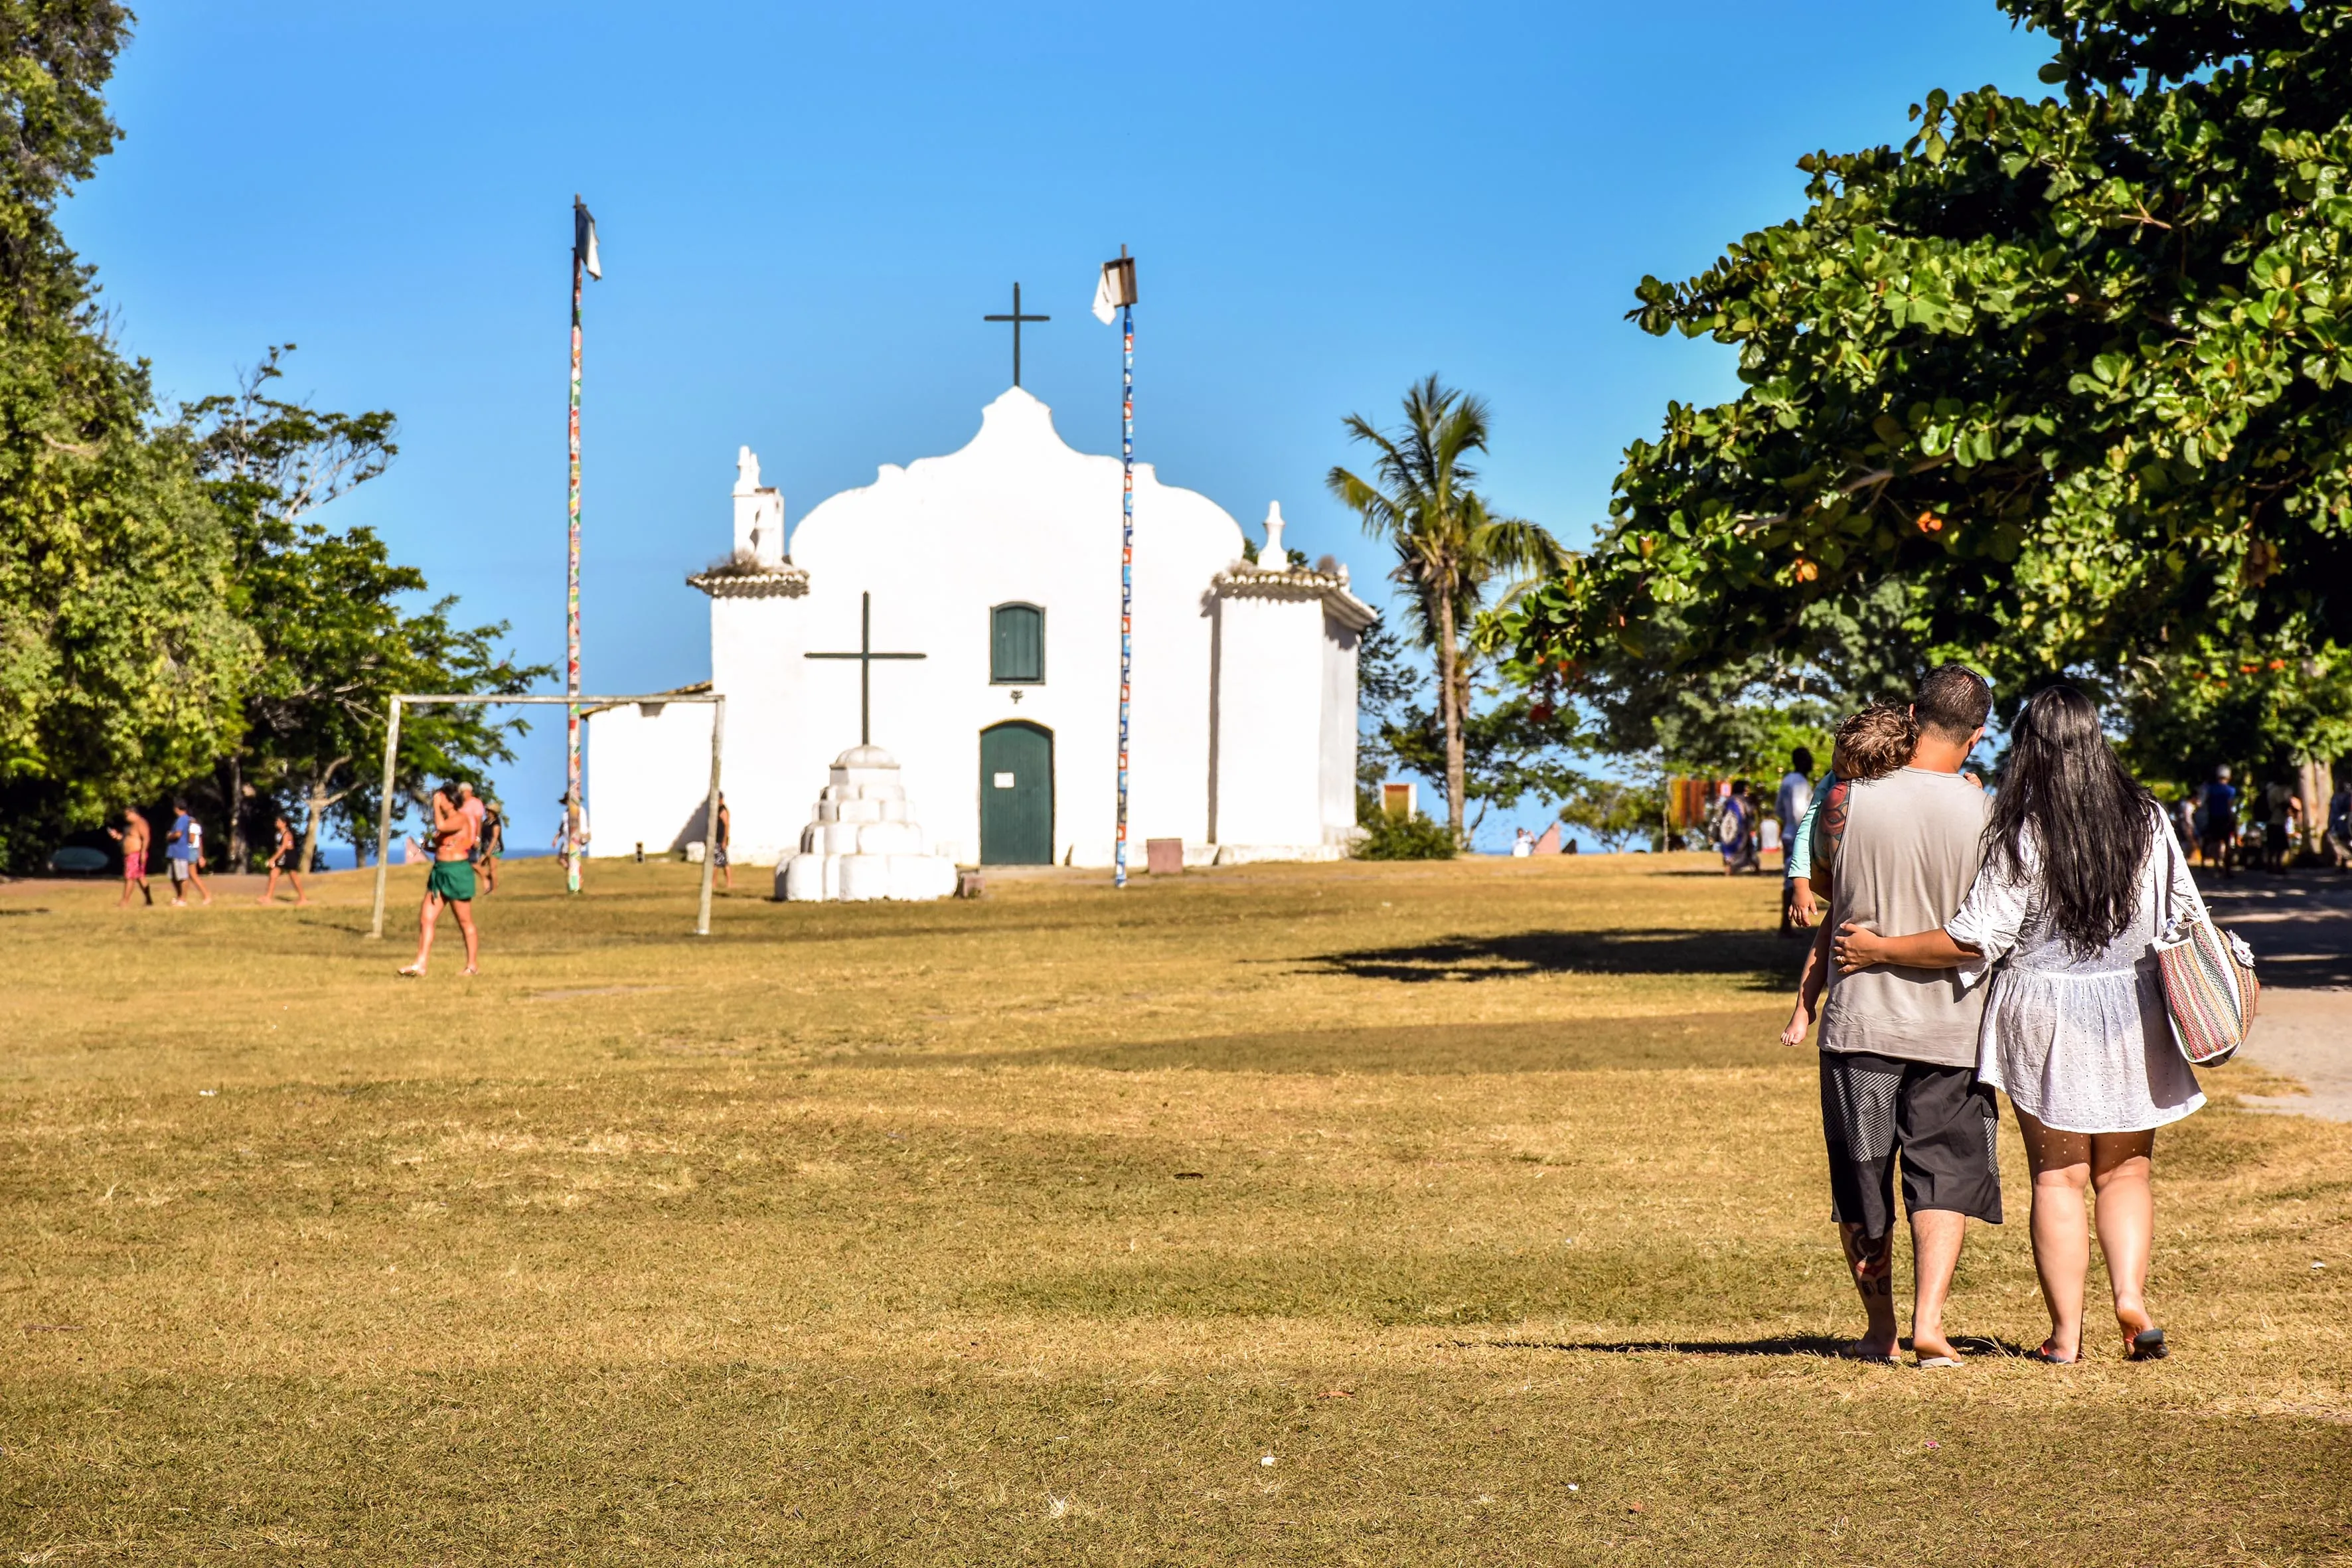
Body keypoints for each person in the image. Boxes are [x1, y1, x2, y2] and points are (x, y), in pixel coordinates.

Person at [1833, 684, 2204, 1364]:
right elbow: (2186, 913)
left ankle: (2066, 1338)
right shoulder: (2149, 818)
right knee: (2127, 1173)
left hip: (2044, 1011)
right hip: (2134, 1010)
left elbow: (1977, 939)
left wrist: (1880, 949)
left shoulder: (2023, 828)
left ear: (2031, 745)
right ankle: (2130, 1296)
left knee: (2058, 1177)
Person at [1782, 666, 1998, 1368]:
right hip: (1955, 1025)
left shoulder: (1847, 799)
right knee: (1944, 1175)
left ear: (1912, 712)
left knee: (1862, 1181)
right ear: (1979, 733)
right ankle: (1931, 1324)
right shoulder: (1987, 812)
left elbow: (1820, 889)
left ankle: (1881, 1331)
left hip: (1862, 1023)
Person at [400, 781, 480, 978]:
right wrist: (430, 847)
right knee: (426, 918)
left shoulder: (461, 818)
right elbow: (443, 844)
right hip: (440, 872)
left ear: (451, 800)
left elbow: (442, 826)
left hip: (457, 873)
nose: (438, 800)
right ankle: (421, 964)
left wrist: (435, 806)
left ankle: (472, 965)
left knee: (464, 921)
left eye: (441, 797)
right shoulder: (446, 819)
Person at [1777, 748, 1816, 934]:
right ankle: (1786, 925)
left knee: (1789, 878)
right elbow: (1799, 812)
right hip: (1797, 836)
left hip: (1788, 832)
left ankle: (1786, 924)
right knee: (1792, 880)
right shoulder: (1799, 783)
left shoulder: (1787, 780)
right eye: (1808, 759)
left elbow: (1779, 810)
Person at [256, 813, 310, 905]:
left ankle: (303, 898)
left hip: (289, 857)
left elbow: (283, 848)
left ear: (284, 823)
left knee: (293, 876)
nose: (276, 823)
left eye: (279, 822)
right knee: (273, 874)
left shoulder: (287, 834)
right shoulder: (278, 834)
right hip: (281, 857)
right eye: (276, 821)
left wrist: (273, 859)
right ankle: (268, 897)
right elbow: (278, 848)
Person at [108, 807, 153, 908]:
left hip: (136, 854)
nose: (126, 818)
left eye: (127, 815)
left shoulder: (141, 823)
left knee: (130, 877)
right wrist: (117, 836)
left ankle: (125, 901)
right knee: (140, 877)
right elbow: (127, 838)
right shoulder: (131, 826)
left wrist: (143, 853)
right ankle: (149, 900)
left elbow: (146, 838)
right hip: (131, 855)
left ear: (133, 813)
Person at [2199, 766, 2236, 878]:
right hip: (2226, 819)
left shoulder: (2211, 789)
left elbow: (2204, 803)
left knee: (2215, 843)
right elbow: (2230, 806)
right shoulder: (2230, 790)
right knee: (2227, 844)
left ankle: (2216, 866)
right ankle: (2227, 868)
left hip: (2213, 818)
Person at [1716, 781, 1753, 874]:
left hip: (1727, 829)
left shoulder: (1728, 800)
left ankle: (1729, 866)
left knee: (1729, 848)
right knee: (1742, 848)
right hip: (1740, 828)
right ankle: (1735, 867)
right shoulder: (1743, 800)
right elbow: (1749, 813)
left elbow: (1721, 814)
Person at [479, 797, 505, 894]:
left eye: (489, 811)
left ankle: (493, 891)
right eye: (487, 811)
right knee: (478, 866)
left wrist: (488, 853)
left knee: (492, 869)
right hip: (485, 847)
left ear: (493, 813)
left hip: (495, 849)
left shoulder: (496, 824)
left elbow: (495, 839)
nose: (487, 812)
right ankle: (491, 883)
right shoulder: (486, 822)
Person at [2329, 775, 2351, 870]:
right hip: (2336, 822)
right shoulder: (2335, 797)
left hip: (2345, 821)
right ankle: (2341, 861)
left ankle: (2344, 862)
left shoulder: (2348, 797)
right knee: (2338, 842)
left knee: (2345, 841)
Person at [714, 791, 733, 890]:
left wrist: (724, 840)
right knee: (718, 862)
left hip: (721, 840)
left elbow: (727, 825)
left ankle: (728, 883)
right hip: (716, 840)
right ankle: (715, 883)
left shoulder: (723, 810)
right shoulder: (716, 810)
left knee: (720, 863)